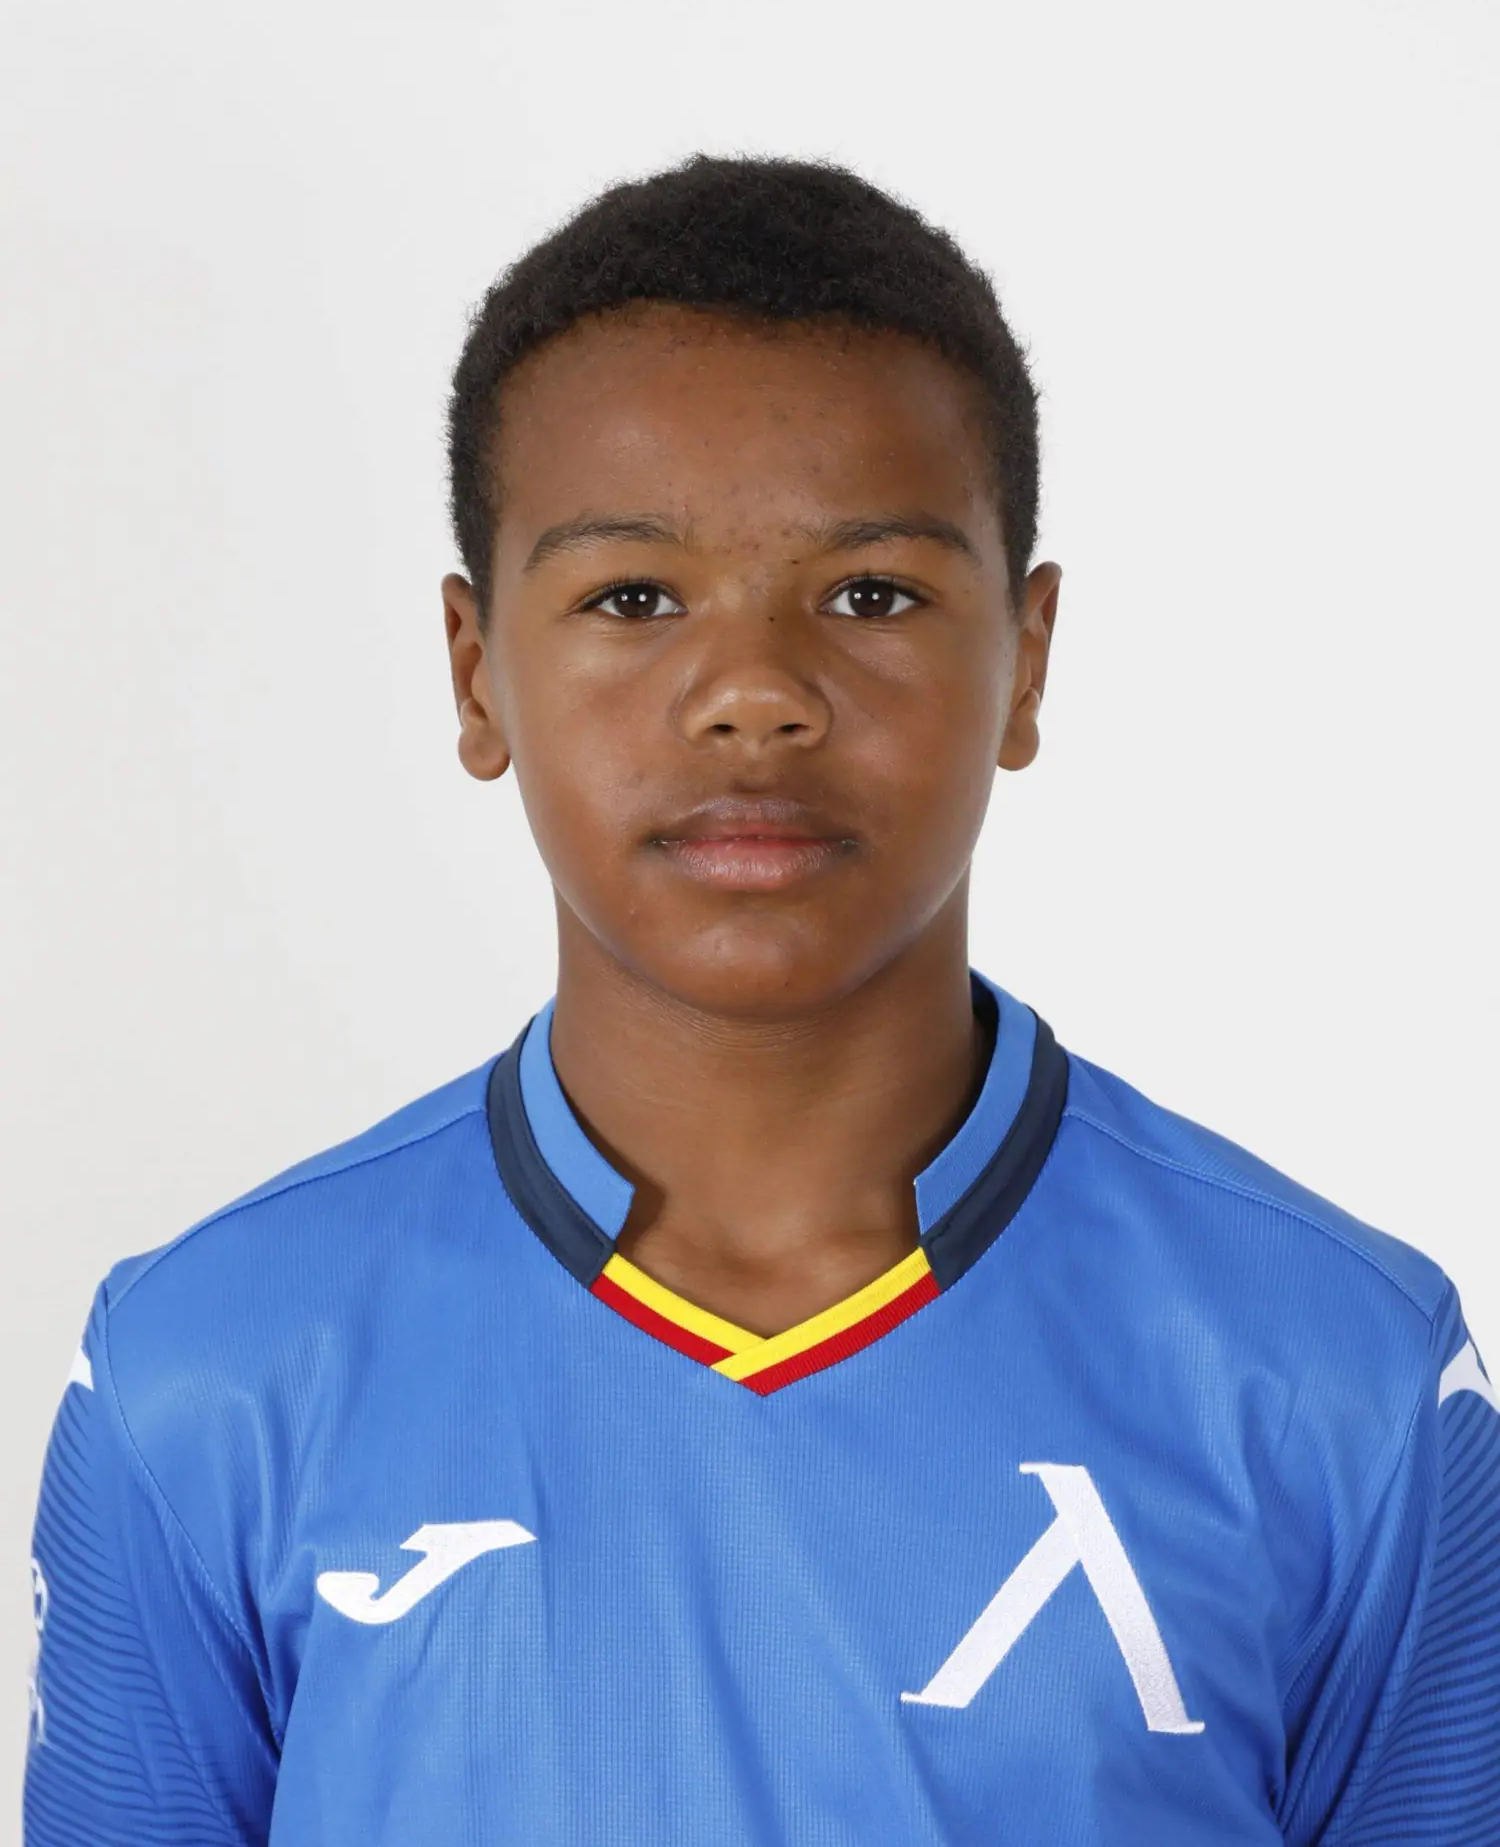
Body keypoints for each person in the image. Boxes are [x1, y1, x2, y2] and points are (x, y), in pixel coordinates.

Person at [24, 155, 1499, 1846]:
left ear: (1026, 659)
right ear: (476, 671)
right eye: (632, 597)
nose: (753, 692)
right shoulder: (203, 1373)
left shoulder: (1344, 1378)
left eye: (872, 594)